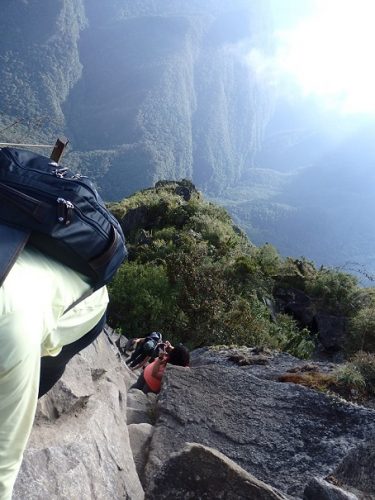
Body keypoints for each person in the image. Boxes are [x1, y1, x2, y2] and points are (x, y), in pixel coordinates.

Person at [0, 240, 109, 500]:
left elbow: (5, 459)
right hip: (32, 264)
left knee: (35, 377)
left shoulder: (12, 332)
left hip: (86, 306)